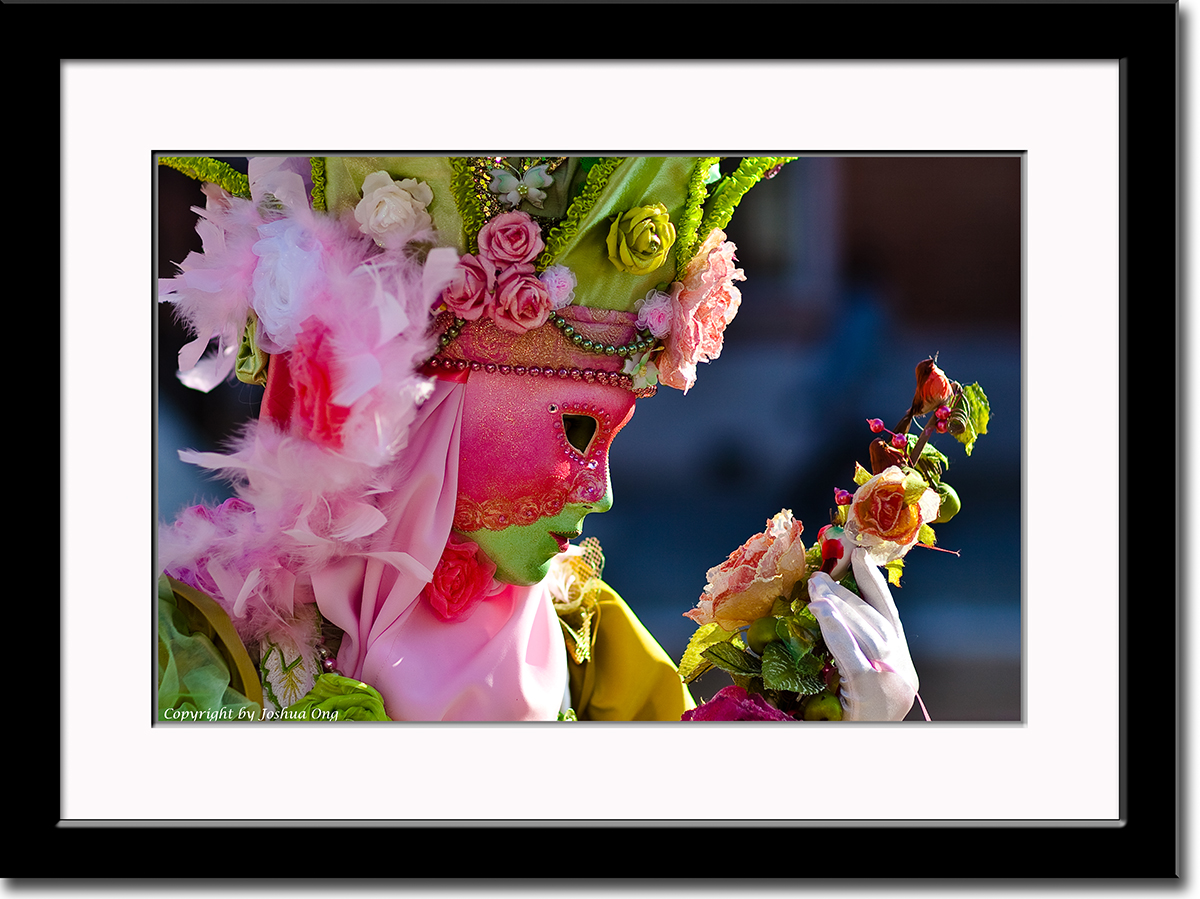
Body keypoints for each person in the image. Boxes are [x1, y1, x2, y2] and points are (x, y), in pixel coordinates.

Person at [157, 155, 918, 722]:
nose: (603, 490)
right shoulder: (202, 653)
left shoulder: (588, 643)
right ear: (422, 415)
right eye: (578, 429)